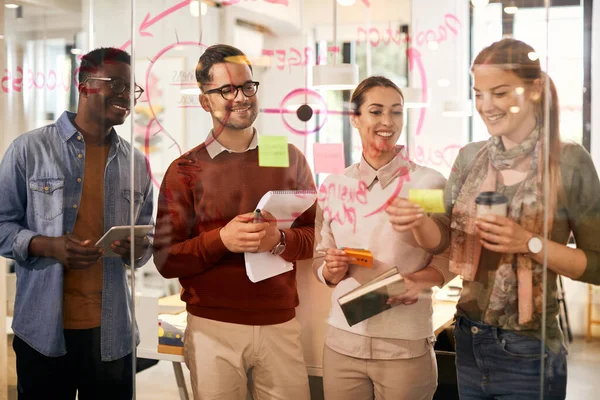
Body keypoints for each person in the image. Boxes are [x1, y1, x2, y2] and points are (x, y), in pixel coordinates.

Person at [387, 38, 600, 399]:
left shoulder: (567, 160)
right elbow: (445, 241)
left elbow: (597, 264)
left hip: (529, 350)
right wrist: (417, 222)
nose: (486, 106)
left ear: (532, 91)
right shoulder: (470, 158)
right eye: (478, 94)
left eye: (498, 93)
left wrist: (528, 243)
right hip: (468, 340)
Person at [153, 44, 315, 400]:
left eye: (247, 86)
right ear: (204, 101)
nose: (241, 97)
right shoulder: (184, 171)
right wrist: (221, 240)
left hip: (280, 323)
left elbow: (316, 235)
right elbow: (165, 259)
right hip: (213, 329)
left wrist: (280, 240)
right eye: (227, 90)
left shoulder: (288, 156)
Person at [0, 47, 153, 399]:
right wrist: (46, 245)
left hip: (113, 334)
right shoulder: (29, 150)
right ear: (84, 86)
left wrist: (139, 249)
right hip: (43, 331)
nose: (126, 96)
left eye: (131, 88)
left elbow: (146, 238)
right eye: (115, 83)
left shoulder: (137, 164)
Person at [313, 75, 454, 400]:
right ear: (356, 118)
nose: (387, 122)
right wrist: (329, 271)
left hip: (403, 345)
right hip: (341, 342)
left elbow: (446, 253)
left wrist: (417, 281)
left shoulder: (427, 183)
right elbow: (321, 257)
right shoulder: (334, 185)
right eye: (376, 111)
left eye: (396, 112)